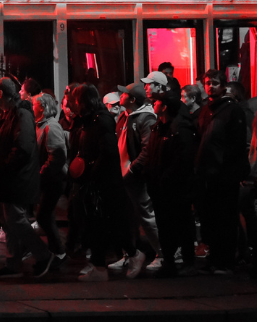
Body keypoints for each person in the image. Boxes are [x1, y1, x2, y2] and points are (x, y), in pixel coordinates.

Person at [67, 84, 142, 281]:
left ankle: (133, 254)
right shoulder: (87, 120)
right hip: (92, 181)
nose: (73, 104)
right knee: (95, 225)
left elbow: (107, 152)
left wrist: (92, 172)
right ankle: (100, 266)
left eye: (76, 100)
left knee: (109, 224)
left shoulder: (101, 120)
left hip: (103, 183)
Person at [0, 77, 54, 280]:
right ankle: (13, 263)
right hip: (7, 177)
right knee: (8, 222)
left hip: (16, 178)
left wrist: (1, 166)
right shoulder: (7, 114)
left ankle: (42, 254)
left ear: (1, 93)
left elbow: (22, 148)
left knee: (15, 220)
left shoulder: (20, 114)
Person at [133, 95, 197, 277]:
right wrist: (149, 173)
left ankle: (188, 261)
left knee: (181, 224)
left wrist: (166, 177)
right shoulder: (158, 127)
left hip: (175, 187)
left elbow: (182, 159)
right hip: (159, 186)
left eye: (158, 102)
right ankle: (169, 261)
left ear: (166, 106)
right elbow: (152, 153)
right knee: (164, 226)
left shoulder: (179, 129)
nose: (154, 104)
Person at [194, 72, 248, 274]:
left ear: (223, 86)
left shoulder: (232, 110)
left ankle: (226, 260)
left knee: (225, 218)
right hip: (208, 173)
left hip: (224, 173)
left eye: (214, 83)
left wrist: (229, 169)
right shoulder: (205, 110)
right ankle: (215, 258)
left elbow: (236, 143)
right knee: (211, 219)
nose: (210, 86)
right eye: (207, 83)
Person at [117, 82, 160, 267]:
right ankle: (130, 254)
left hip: (136, 177)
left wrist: (133, 169)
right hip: (124, 176)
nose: (120, 96)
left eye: (124, 94)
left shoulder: (145, 118)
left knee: (147, 216)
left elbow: (147, 149)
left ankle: (162, 254)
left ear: (133, 99)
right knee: (128, 218)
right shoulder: (125, 116)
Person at [33, 92, 67, 264]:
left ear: (43, 107)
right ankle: (56, 250)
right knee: (45, 215)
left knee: (44, 216)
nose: (32, 107)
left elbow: (57, 156)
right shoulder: (41, 125)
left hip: (53, 180)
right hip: (48, 179)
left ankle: (59, 251)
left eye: (35, 105)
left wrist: (42, 172)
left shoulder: (51, 127)